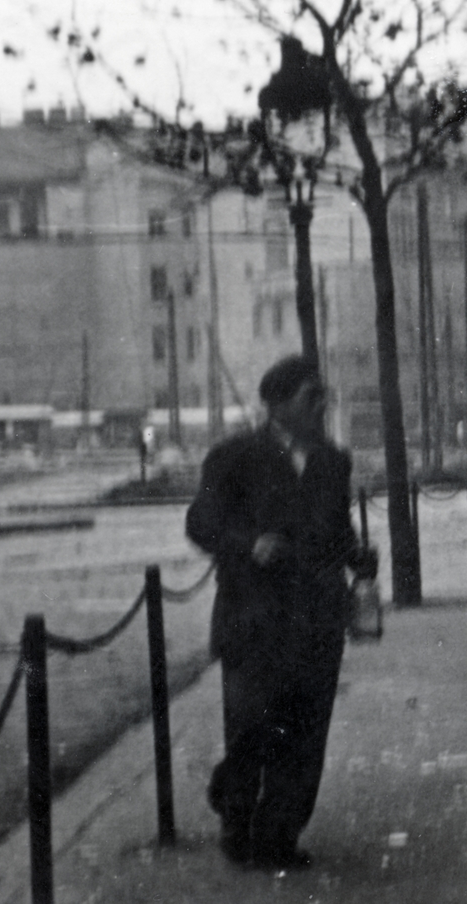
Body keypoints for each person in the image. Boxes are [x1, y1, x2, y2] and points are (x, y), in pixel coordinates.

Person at [185, 355, 377, 871]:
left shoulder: (333, 462)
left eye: (323, 396)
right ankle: (236, 819)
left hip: (316, 621)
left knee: (306, 733)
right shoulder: (233, 458)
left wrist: (358, 555)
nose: (322, 405)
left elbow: (337, 533)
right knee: (250, 729)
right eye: (311, 395)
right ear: (277, 403)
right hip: (253, 622)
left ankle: (279, 837)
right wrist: (248, 545)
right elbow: (201, 523)